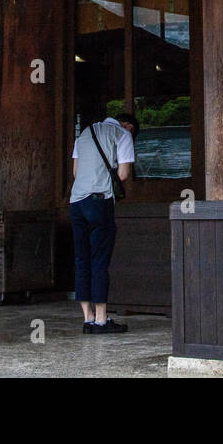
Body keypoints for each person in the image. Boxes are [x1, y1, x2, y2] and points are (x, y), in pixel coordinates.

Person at [70, 113, 137, 334]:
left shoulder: (84, 133)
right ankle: (101, 319)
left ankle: (87, 318)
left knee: (82, 259)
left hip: (76, 202)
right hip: (99, 201)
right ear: (127, 125)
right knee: (99, 259)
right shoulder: (123, 134)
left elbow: (75, 172)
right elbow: (124, 174)